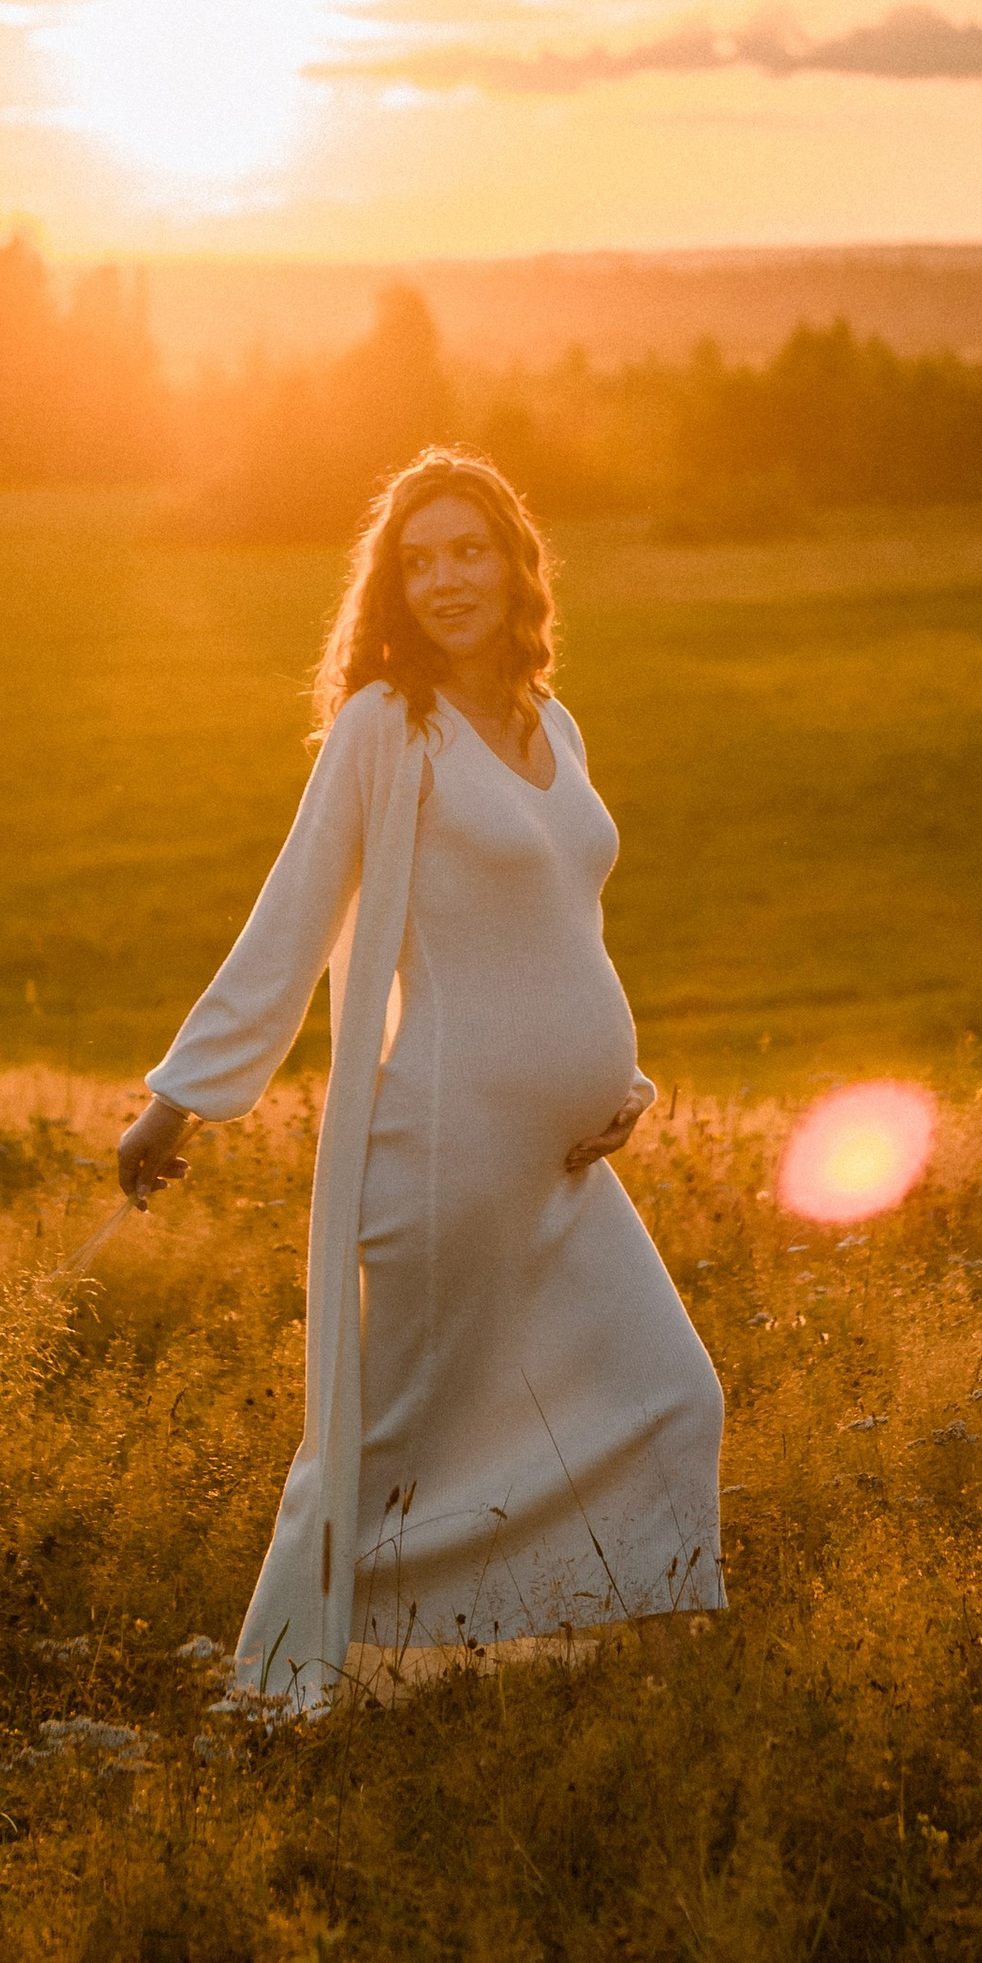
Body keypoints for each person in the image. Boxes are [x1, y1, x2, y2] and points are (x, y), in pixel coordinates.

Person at [116, 447, 725, 1709]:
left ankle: (670, 1687)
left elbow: (563, 923)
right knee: (382, 1450)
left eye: (468, 550)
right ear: (392, 587)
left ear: (515, 565)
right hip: (448, 1154)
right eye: (417, 559)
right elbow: (291, 919)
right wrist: (177, 1100)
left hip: (563, 1163)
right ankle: (284, 1690)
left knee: (667, 1393)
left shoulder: (552, 722)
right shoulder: (386, 729)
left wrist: (618, 1079)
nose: (445, 578)